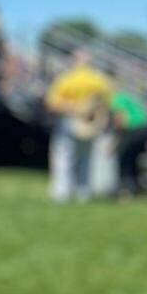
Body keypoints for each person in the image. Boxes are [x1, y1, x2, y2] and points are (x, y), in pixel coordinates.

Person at [44, 49, 113, 202]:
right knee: (85, 158)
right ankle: (83, 193)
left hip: (70, 120)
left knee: (63, 157)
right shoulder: (99, 80)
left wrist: (75, 107)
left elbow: (52, 102)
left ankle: (61, 193)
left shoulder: (67, 78)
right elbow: (108, 102)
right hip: (92, 122)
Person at [108, 87, 147, 198]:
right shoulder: (127, 95)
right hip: (146, 129)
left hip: (133, 130)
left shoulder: (116, 98)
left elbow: (120, 119)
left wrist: (114, 142)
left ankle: (126, 190)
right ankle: (136, 187)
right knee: (133, 159)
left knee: (123, 159)